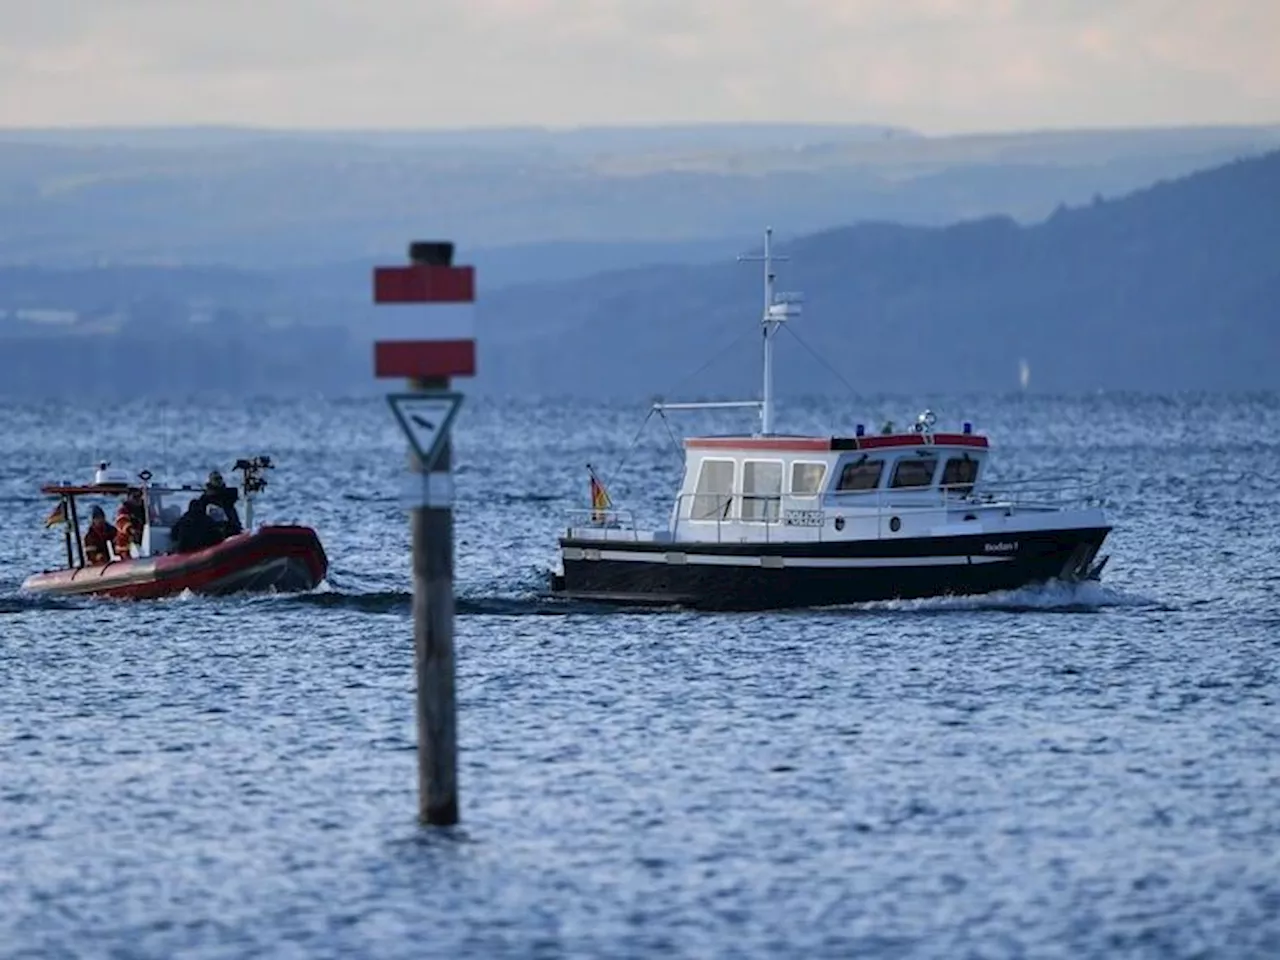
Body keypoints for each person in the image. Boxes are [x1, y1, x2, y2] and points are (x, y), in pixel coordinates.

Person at [200, 470, 243, 535]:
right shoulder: (206, 498)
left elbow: (233, 496)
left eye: (220, 478)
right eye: (216, 479)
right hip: (217, 530)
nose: (219, 481)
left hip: (233, 527)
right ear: (211, 481)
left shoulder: (226, 495)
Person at [114, 490, 145, 559]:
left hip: (143, 539)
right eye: (135, 497)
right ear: (129, 497)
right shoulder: (124, 510)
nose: (138, 499)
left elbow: (153, 518)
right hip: (126, 545)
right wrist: (130, 529)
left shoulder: (145, 509)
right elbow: (122, 522)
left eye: (139, 496)